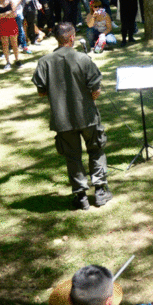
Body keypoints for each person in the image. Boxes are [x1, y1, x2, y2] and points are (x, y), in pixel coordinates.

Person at [32, 22, 111, 210]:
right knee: (95, 150)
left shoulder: (44, 62)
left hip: (62, 119)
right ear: (72, 37)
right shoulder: (83, 59)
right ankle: (100, 191)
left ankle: (81, 196)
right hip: (87, 116)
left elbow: (41, 91)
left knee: (72, 157)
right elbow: (96, 90)